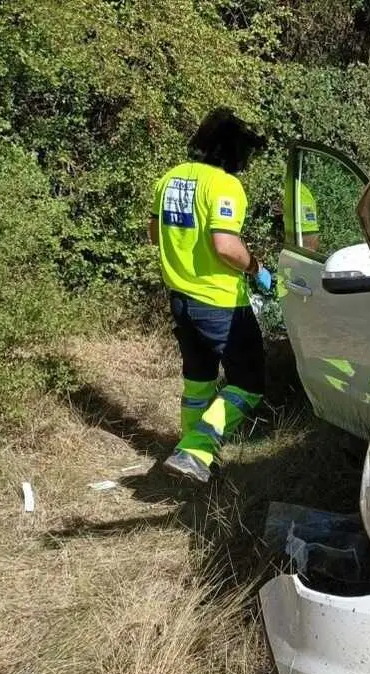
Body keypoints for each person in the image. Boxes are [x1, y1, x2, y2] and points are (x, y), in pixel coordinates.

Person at [148, 108, 270, 483]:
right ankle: (196, 451)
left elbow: (154, 235)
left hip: (180, 298)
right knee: (248, 384)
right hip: (220, 302)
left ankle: (190, 457)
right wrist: (256, 268)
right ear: (233, 152)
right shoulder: (224, 185)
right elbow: (226, 246)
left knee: (199, 382)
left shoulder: (169, 179)